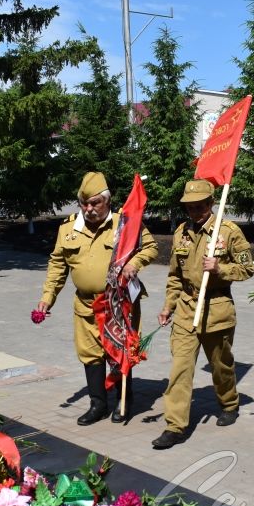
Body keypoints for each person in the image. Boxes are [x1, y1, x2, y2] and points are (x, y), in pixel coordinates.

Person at [37, 172, 158, 425]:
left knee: (119, 353)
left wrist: (135, 262)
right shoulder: (68, 228)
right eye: (84, 203)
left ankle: (124, 401)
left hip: (117, 304)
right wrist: (47, 298)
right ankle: (98, 404)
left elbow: (151, 247)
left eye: (95, 203)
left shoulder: (124, 225)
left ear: (107, 202)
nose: (88, 209)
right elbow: (57, 265)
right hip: (85, 305)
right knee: (90, 355)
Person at [153, 179, 254, 449]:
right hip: (187, 308)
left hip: (217, 308)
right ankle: (175, 426)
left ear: (211, 204)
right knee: (180, 368)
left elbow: (248, 269)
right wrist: (168, 306)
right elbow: (175, 276)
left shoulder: (229, 231)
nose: (195, 212)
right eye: (190, 207)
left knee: (221, 366)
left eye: (200, 206)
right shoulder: (181, 233)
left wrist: (221, 269)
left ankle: (230, 403)